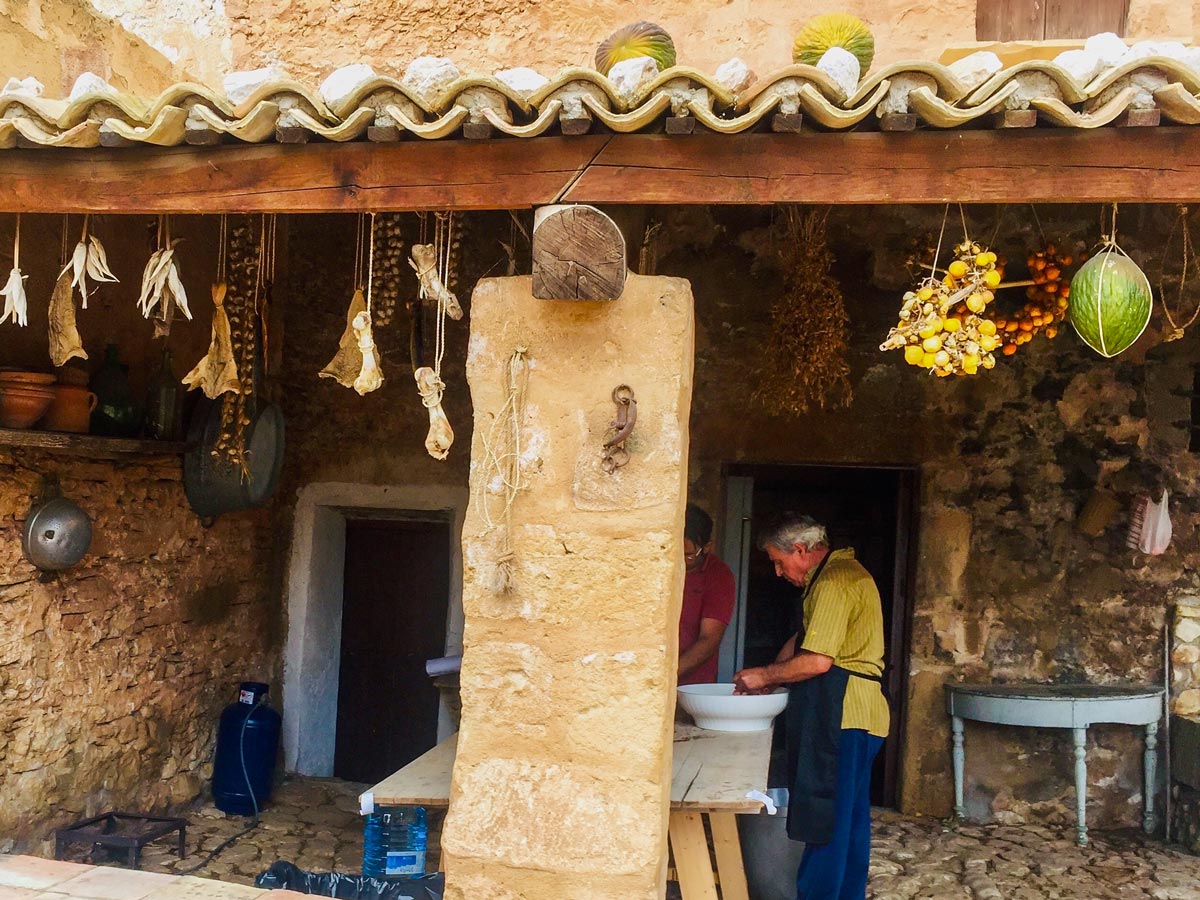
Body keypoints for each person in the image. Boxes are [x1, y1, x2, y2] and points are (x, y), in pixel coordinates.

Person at [733, 514, 889, 900]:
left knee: (825, 819)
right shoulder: (832, 579)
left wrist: (765, 677)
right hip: (858, 717)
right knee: (848, 822)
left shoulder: (836, 583)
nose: (777, 571)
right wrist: (775, 675)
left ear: (800, 551)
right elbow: (802, 638)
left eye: (778, 561)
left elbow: (818, 661)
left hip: (845, 716)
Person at [677, 503, 736, 685]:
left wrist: (667, 675)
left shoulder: (718, 575)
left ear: (708, 546)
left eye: (688, 555)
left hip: (690, 685)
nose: (679, 561)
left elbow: (709, 639)